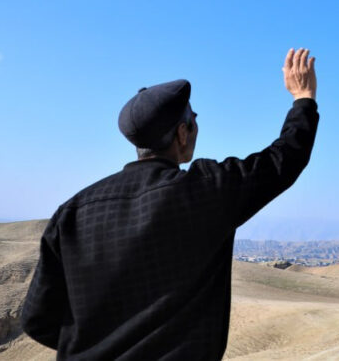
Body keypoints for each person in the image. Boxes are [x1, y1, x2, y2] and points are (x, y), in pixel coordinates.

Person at [21, 49, 320, 359]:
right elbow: (283, 160)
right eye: (194, 119)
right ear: (182, 133)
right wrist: (303, 98)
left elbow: (37, 319)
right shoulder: (205, 191)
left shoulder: (72, 213)